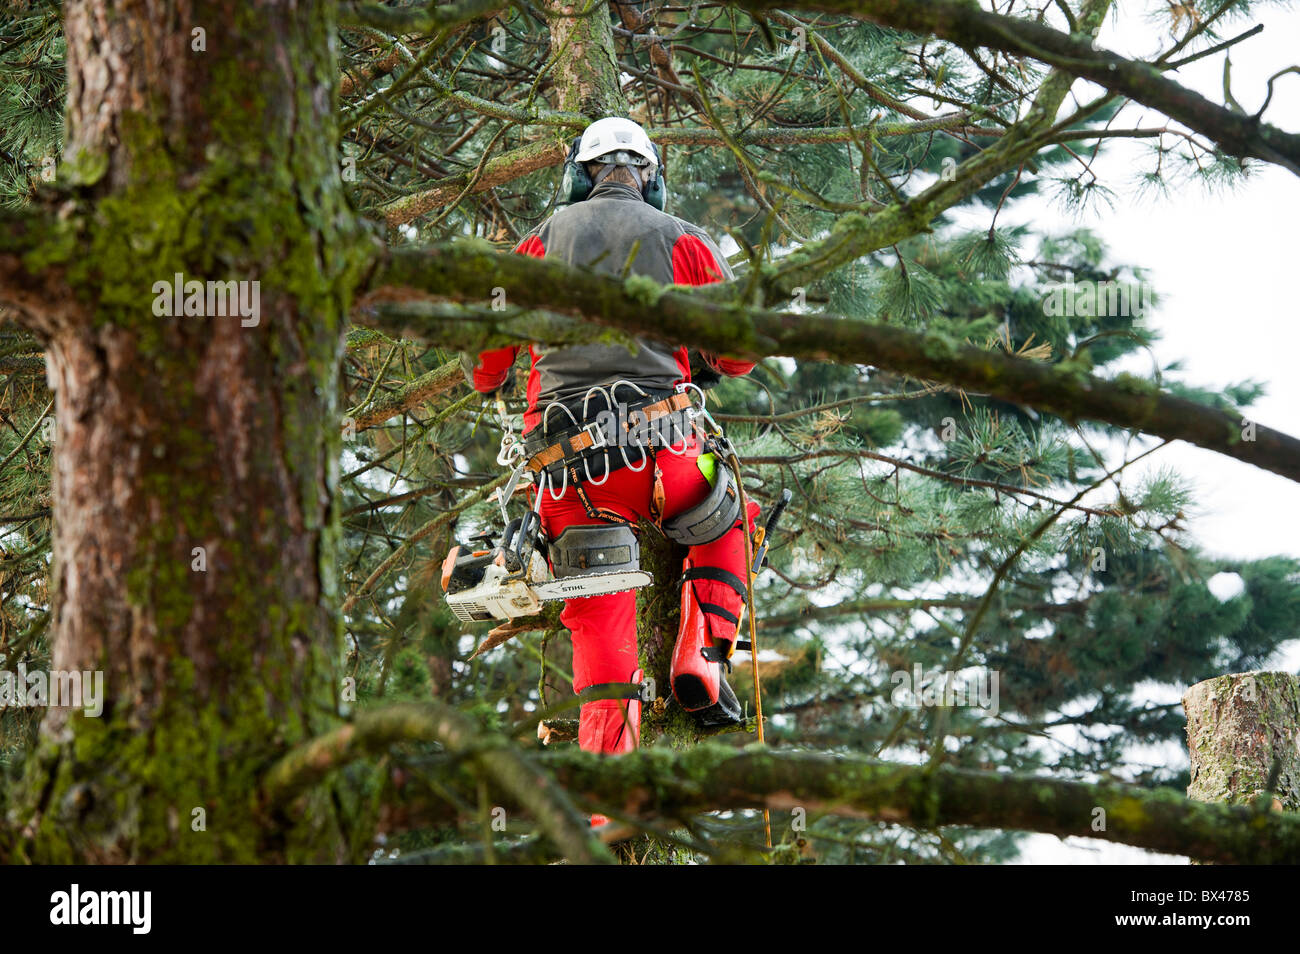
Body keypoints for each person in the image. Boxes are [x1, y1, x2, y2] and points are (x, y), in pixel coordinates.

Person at [467, 117, 758, 770]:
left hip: (569, 478)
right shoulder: (685, 239)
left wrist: (493, 377)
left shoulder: (539, 242)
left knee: (600, 625)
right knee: (729, 518)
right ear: (650, 180)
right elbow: (739, 354)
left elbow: (488, 360)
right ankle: (703, 662)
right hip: (672, 457)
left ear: (578, 178)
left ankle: (611, 794)